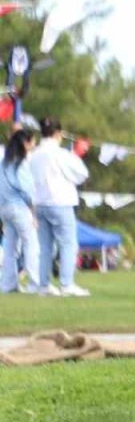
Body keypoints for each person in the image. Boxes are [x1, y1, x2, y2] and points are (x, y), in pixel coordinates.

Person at [29, 117, 91, 297]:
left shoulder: (34, 154)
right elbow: (82, 173)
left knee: (45, 247)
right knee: (68, 244)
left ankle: (44, 285)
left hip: (40, 203)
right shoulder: (62, 154)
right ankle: (66, 284)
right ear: (58, 134)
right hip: (60, 202)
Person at [1, 129, 39, 294]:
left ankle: (8, 284)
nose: (34, 145)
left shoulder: (3, 163)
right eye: (32, 141)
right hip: (20, 208)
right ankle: (35, 283)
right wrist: (34, 214)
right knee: (31, 244)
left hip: (4, 209)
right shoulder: (21, 164)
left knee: (10, 248)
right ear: (25, 143)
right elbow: (28, 192)